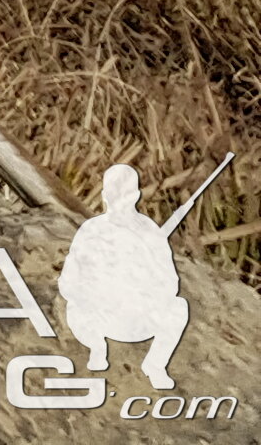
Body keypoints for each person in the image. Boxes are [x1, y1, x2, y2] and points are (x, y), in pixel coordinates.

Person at [58, 164, 192, 391]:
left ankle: (155, 365)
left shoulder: (150, 232)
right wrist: (93, 289)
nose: (118, 201)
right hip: (99, 318)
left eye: (124, 195)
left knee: (178, 308)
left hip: (138, 319)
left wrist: (142, 283)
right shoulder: (91, 230)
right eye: (114, 195)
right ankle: (97, 348)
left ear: (136, 196)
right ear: (105, 196)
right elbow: (68, 280)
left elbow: (170, 284)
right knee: (73, 306)